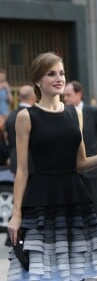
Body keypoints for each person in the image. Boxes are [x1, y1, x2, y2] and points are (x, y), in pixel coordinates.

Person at [7, 52, 97, 280]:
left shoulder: (75, 113)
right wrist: (16, 214)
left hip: (75, 198)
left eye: (61, 73)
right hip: (41, 199)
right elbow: (22, 170)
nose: (59, 78)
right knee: (44, 271)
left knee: (79, 272)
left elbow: (81, 163)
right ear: (37, 81)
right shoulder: (26, 116)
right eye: (51, 73)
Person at [64, 80, 97, 251]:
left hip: (94, 168)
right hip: (74, 170)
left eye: (68, 95)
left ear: (79, 94)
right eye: (64, 96)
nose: (65, 98)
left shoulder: (93, 112)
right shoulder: (65, 113)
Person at [3, 85, 36, 247]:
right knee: (27, 198)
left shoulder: (10, 117)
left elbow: (9, 141)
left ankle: (12, 235)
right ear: (32, 98)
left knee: (18, 198)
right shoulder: (31, 115)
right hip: (30, 163)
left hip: (16, 163)